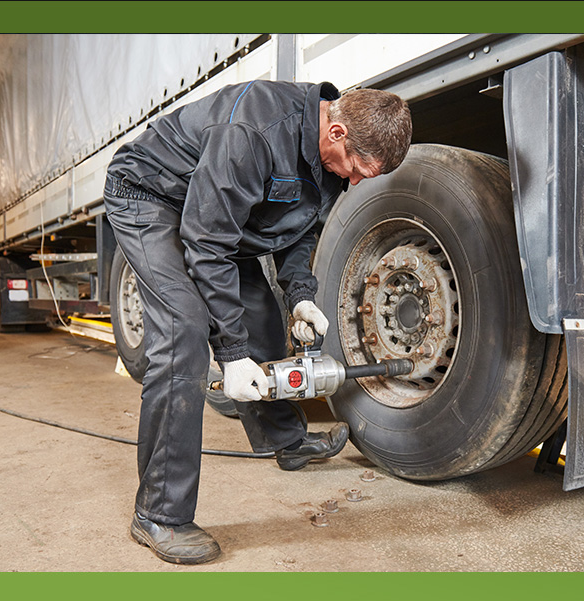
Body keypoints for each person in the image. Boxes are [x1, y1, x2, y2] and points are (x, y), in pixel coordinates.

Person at [103, 80, 412, 564]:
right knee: (183, 330)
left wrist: (301, 298)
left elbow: (296, 230)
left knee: (263, 315)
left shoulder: (327, 155)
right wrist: (229, 355)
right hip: (150, 196)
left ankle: (284, 441)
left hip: (221, 215)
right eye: (356, 170)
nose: (353, 181)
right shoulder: (254, 131)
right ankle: (158, 514)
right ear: (335, 132)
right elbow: (206, 243)